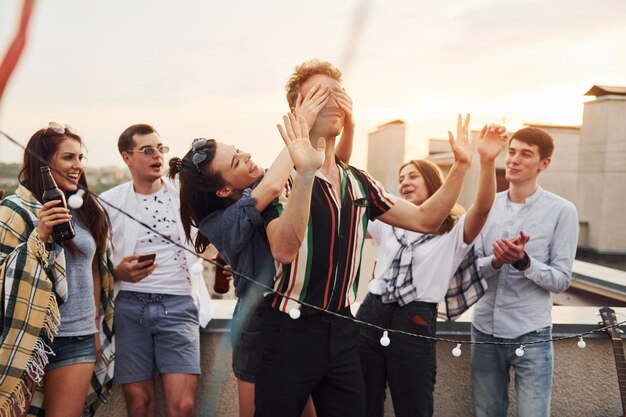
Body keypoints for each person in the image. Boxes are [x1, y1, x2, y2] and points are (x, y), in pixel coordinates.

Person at [251, 58, 475, 417]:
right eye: (321, 94)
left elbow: (426, 220)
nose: (335, 101)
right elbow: (284, 248)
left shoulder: (359, 181)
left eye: (339, 92)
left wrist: (461, 166)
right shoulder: (280, 179)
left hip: (343, 328)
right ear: (297, 110)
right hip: (288, 331)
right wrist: (307, 173)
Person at [172, 82, 353, 417]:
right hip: (260, 318)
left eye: (239, 150)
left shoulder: (263, 183)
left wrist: (340, 124)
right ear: (224, 189)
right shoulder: (220, 222)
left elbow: (328, 167)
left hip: (298, 316)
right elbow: (272, 185)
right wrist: (301, 118)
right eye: (237, 162)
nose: (247, 157)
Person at [357, 120, 507, 417]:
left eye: (413, 176)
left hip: (415, 319)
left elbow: (483, 206)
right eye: (401, 178)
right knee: (362, 402)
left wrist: (486, 161)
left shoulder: (453, 230)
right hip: (371, 314)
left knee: (414, 404)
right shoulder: (389, 220)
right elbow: (348, 218)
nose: (405, 182)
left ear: (432, 181)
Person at [0, 122, 115, 417]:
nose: (77, 166)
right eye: (68, 157)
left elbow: (94, 272)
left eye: (80, 158)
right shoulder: (12, 211)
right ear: (41, 162)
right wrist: (40, 235)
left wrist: (97, 324)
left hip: (78, 335)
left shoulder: (88, 209)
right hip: (25, 337)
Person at [100, 124, 212, 417]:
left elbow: (213, 233)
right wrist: (116, 272)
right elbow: (93, 261)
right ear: (127, 157)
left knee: (183, 407)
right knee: (139, 405)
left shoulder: (183, 195)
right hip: (129, 307)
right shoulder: (109, 202)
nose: (157, 155)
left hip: (178, 304)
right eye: (147, 150)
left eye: (160, 148)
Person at [470, 126, 579, 417]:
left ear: (544, 163)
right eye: (512, 152)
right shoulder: (485, 205)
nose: (514, 160)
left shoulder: (562, 211)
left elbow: (561, 280)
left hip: (532, 334)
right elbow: (470, 269)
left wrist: (524, 262)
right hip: (484, 332)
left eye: (526, 154)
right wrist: (496, 261)